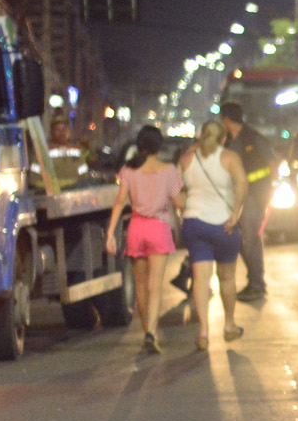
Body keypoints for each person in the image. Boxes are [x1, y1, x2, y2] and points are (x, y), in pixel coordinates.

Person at [104, 124, 182, 354]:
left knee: (140, 287)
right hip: (158, 228)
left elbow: (119, 202)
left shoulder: (128, 171)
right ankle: (151, 333)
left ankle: (146, 330)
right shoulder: (169, 171)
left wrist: (110, 232)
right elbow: (180, 203)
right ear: (159, 146)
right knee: (154, 285)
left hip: (136, 228)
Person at [177, 119, 250, 349]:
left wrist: (182, 205)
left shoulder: (187, 159)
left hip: (194, 224)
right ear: (223, 138)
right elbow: (242, 184)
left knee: (200, 279)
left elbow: (171, 187)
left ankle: (203, 332)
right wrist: (236, 213)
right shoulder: (229, 158)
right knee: (227, 278)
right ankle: (229, 325)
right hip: (224, 225)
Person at [218, 102, 275, 301]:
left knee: (250, 239)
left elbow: (272, 163)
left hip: (253, 196)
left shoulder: (253, 137)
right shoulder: (226, 141)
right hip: (234, 197)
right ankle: (254, 281)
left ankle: (257, 285)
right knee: (238, 240)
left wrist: (270, 189)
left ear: (226, 119)